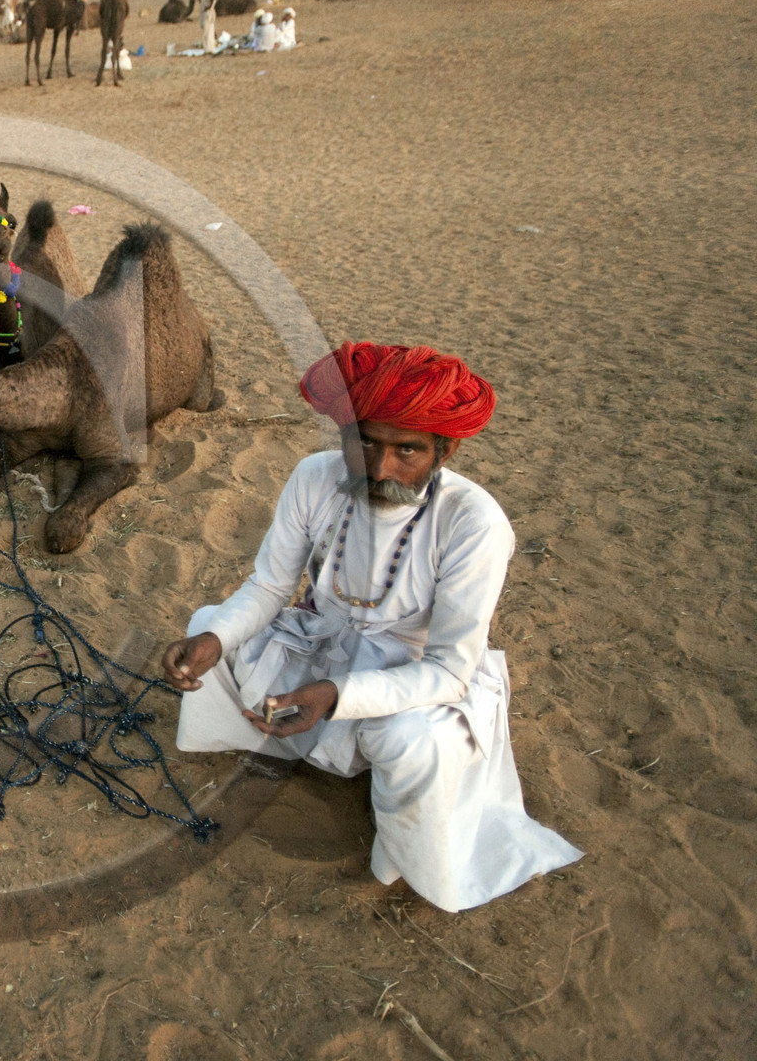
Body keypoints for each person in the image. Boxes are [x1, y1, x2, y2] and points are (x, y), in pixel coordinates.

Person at [162, 342, 582, 912]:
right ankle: (255, 743)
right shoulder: (314, 477)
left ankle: (403, 860)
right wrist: (214, 641)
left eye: (407, 449)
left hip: (418, 671)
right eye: (364, 442)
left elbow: (450, 669)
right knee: (211, 625)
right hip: (323, 637)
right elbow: (269, 587)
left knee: (409, 740)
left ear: (445, 449)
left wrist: (336, 694)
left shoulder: (474, 522)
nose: (381, 470)